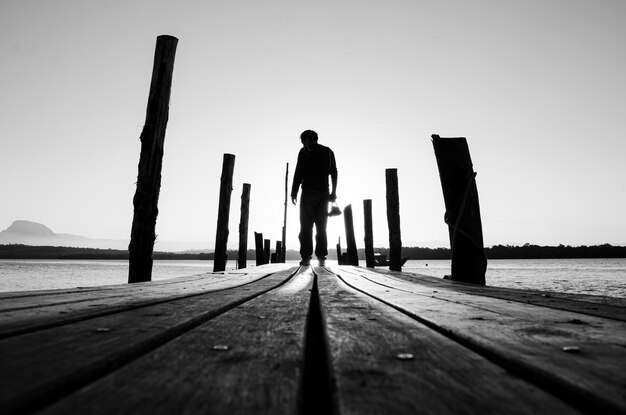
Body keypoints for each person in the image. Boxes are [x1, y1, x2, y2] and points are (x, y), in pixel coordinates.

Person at [291, 130, 338, 266]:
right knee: (321, 227)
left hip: (308, 193)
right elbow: (334, 173)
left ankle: (306, 257)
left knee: (306, 227)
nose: (301, 142)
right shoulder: (328, 152)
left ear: (307, 139)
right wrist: (334, 192)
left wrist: (294, 192)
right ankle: (321, 256)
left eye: (302, 140)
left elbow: (298, 172)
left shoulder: (304, 151)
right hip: (324, 193)